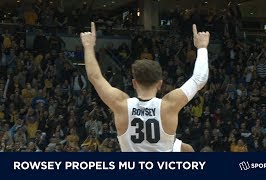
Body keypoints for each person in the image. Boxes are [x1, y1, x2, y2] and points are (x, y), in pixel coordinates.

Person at [81, 22, 209, 152]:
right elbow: (199, 78)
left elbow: (95, 77)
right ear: (160, 84)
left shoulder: (121, 104)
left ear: (134, 83)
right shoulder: (170, 104)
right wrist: (202, 47)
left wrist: (88, 46)